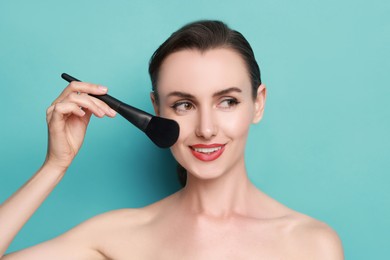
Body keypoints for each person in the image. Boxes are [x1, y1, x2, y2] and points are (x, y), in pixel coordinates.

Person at [0, 20, 343, 259]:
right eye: (184, 104)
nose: (206, 129)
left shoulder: (311, 244)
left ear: (258, 103)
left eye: (227, 101)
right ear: (156, 109)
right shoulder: (118, 235)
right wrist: (55, 166)